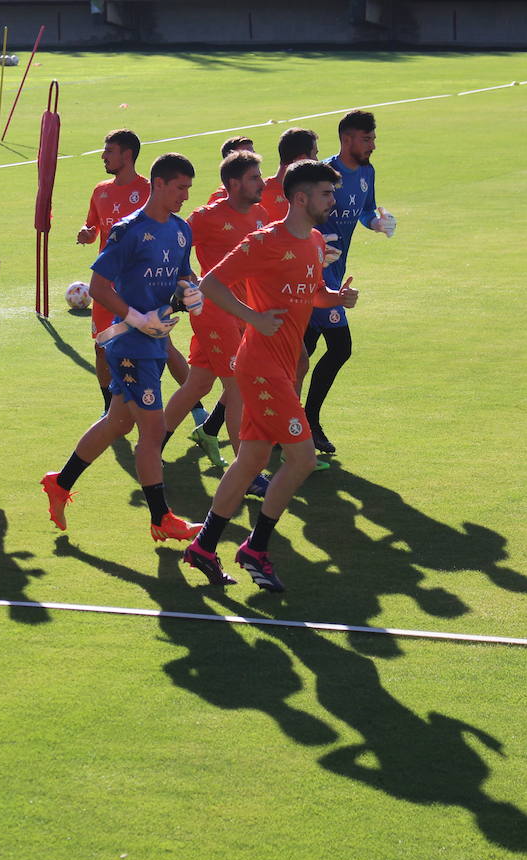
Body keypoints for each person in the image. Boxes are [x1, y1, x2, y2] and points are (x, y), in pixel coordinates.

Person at [184, 160, 360, 591]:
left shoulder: (316, 242)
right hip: (261, 366)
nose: (332, 202)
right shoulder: (264, 241)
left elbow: (311, 291)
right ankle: (255, 549)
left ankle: (204, 547)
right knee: (301, 459)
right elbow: (209, 284)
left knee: (251, 461)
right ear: (299, 199)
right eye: (325, 194)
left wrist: (335, 296)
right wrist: (253, 318)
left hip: (281, 365)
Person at [41, 153, 205, 542]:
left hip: (156, 343)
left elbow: (184, 274)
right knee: (152, 430)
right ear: (159, 185)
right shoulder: (127, 230)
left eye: (188, 188)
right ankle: (161, 517)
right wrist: (137, 318)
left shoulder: (182, 230)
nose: (184, 196)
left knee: (118, 422)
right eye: (179, 187)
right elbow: (99, 287)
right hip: (129, 343)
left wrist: (191, 290)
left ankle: (59, 484)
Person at [167, 150, 270, 480]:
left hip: (242, 310)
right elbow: (171, 245)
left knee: (197, 384)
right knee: (238, 388)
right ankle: (248, 475)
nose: (262, 183)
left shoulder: (260, 215)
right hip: (214, 311)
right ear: (234, 183)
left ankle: (152, 446)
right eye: (255, 178)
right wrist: (182, 283)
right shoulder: (206, 216)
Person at [303, 109, 395, 455]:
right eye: (367, 138)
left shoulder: (367, 172)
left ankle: (232, 420)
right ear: (347, 140)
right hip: (317, 274)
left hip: (336, 272)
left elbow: (367, 209)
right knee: (340, 347)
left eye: (373, 138)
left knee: (304, 350)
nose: (373, 144)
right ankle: (307, 421)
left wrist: (377, 222)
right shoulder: (325, 174)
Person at [76, 129, 150, 414]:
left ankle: (160, 403)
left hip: (137, 286)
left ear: (127, 155)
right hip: (105, 285)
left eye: (109, 151)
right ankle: (109, 409)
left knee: (143, 348)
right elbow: (95, 229)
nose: (103, 156)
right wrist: (86, 233)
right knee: (101, 347)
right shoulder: (100, 190)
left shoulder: (147, 191)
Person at [260, 128, 317, 223]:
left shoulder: (309, 192)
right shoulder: (259, 194)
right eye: (314, 154)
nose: (317, 160)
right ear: (301, 159)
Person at [205, 136, 256, 205]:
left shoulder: (261, 188)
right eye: (246, 157)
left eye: (253, 153)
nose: (253, 159)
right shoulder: (220, 198)